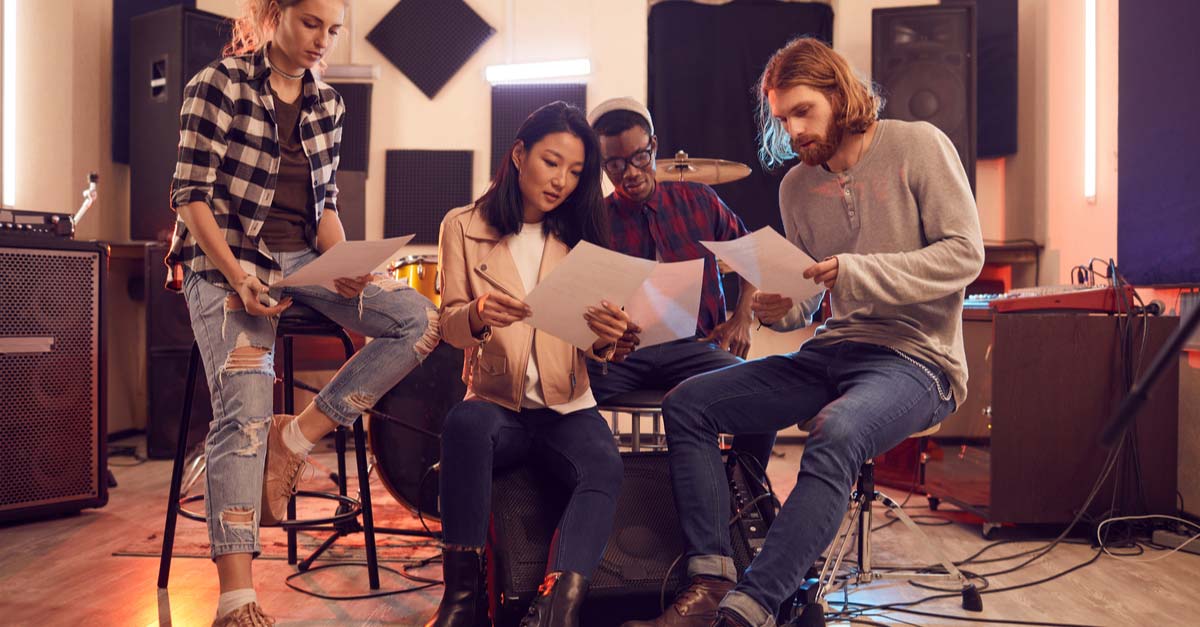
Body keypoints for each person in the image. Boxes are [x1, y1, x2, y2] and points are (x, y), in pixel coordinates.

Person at [626, 37, 984, 627]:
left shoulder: (918, 145)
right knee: (689, 403)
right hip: (833, 350)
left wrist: (855, 270)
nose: (792, 130)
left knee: (837, 428)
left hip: (918, 360)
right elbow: (810, 303)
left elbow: (965, 256)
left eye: (802, 112)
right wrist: (775, 307)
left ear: (840, 96)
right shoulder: (797, 186)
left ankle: (751, 609)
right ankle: (711, 580)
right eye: (781, 118)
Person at [166, 1, 438, 624]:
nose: (323, 41)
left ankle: (300, 435)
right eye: (312, 24)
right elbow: (191, 198)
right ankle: (236, 598)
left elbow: (325, 207)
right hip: (227, 261)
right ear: (274, 14)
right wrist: (239, 278)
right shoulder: (217, 85)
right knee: (246, 404)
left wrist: (351, 263)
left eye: (333, 30)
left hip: (305, 261)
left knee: (418, 319)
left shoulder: (329, 105)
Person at [429, 101, 629, 627]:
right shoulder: (462, 225)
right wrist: (474, 314)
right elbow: (447, 326)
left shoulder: (583, 236)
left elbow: (595, 342)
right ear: (519, 154)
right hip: (499, 405)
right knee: (465, 423)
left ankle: (555, 607)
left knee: (605, 464)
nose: (561, 180)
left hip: (569, 408)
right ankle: (461, 601)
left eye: (576, 171)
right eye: (551, 161)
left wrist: (607, 339)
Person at [585, 97, 775, 474]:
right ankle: (587, 488)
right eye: (616, 165)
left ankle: (742, 487)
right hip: (624, 356)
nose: (630, 174)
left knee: (765, 397)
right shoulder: (596, 220)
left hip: (694, 349)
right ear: (603, 166)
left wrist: (741, 318)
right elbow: (584, 305)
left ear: (653, 147)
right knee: (559, 397)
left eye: (639, 157)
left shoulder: (699, 200)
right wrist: (601, 340)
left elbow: (754, 256)